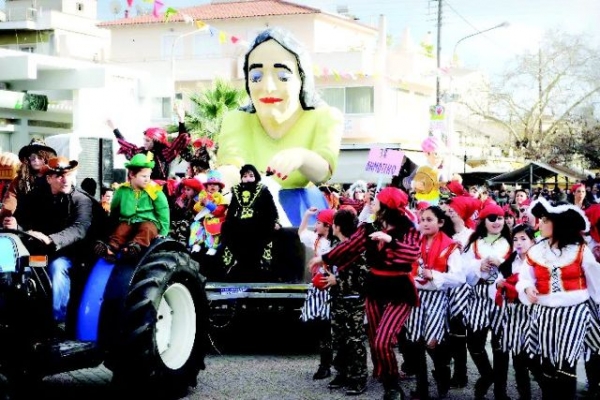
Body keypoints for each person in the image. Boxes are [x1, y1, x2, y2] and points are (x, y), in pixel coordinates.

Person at [216, 28, 343, 226]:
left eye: (283, 76)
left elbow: (323, 171)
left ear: (303, 79)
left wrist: (302, 157)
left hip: (302, 210)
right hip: (249, 209)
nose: (268, 87)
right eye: (256, 77)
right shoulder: (236, 119)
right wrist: (212, 181)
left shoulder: (324, 116)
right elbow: (233, 164)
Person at [309, 186, 420, 400]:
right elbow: (351, 246)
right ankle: (384, 373)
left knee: (383, 341)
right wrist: (325, 258)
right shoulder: (369, 226)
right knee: (375, 338)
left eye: (377, 200)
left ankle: (393, 386)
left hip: (399, 288)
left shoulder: (408, 228)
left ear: (387, 206)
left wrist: (390, 241)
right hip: (376, 286)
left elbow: (412, 254)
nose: (372, 202)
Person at [516, 197, 600, 399]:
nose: (540, 224)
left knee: (565, 365)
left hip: (574, 313)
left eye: (545, 220)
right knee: (545, 364)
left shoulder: (581, 251)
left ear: (559, 224)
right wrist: (527, 288)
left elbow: (596, 284)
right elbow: (524, 278)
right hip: (544, 314)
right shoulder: (535, 251)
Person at [2, 156, 92, 328]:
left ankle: (59, 322)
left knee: (58, 269)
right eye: (59, 176)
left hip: (72, 254)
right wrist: (15, 224)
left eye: (68, 174)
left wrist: (50, 239)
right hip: (40, 254)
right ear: (49, 178)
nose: (65, 179)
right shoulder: (36, 197)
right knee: (17, 268)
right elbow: (23, 220)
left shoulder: (82, 200)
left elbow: (79, 229)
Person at [406, 206, 464, 399]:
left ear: (440, 222)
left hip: (437, 296)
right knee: (415, 341)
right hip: (415, 295)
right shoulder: (414, 242)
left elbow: (458, 278)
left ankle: (443, 373)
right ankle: (422, 387)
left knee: (432, 342)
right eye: (422, 219)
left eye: (429, 219)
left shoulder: (450, 246)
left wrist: (435, 275)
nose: (424, 223)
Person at [462, 203, 512, 400]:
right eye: (492, 218)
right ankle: (487, 376)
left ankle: (501, 391)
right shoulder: (473, 242)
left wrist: (502, 266)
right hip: (478, 295)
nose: (497, 221)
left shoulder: (512, 241)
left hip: (502, 297)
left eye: (500, 217)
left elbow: (520, 270)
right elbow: (463, 272)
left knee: (501, 347)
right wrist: (478, 266)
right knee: (474, 342)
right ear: (483, 221)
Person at [322, 209, 369, 396]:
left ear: (338, 226)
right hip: (337, 300)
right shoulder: (335, 245)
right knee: (338, 339)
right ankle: (342, 373)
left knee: (355, 340)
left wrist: (338, 281)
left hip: (354, 302)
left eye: (333, 223)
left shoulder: (357, 249)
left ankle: (358, 378)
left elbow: (364, 278)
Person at [489, 224, 539, 400]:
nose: (519, 243)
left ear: (533, 240)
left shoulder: (540, 262)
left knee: (525, 359)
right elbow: (495, 284)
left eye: (523, 239)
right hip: (508, 312)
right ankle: (504, 394)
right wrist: (499, 285)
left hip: (531, 313)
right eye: (515, 239)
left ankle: (528, 394)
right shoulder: (509, 261)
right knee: (507, 355)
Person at [94, 153, 170, 261]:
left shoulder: (154, 190)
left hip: (148, 221)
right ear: (132, 175)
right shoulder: (122, 190)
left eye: (149, 176)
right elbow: (115, 207)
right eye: (144, 176)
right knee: (121, 230)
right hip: (128, 220)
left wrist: (163, 231)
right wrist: (111, 223)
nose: (147, 179)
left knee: (147, 229)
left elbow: (163, 209)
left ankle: (135, 246)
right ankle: (110, 249)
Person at [442, 195, 481, 389]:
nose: (449, 213)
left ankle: (460, 373)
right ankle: (445, 369)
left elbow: (473, 265)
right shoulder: (444, 234)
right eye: (448, 211)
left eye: (452, 211)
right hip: (444, 287)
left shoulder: (471, 236)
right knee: (445, 332)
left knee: (458, 331)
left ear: (461, 214)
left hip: (464, 290)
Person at [220, 164, 279, 281]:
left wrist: (275, 222)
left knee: (264, 229)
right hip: (240, 225)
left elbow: (271, 209)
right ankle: (234, 266)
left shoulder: (263, 190)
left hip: (258, 225)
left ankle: (262, 267)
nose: (248, 179)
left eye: (251, 176)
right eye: (245, 176)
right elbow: (232, 210)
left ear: (256, 177)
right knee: (226, 227)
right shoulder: (236, 190)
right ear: (241, 178)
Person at [107, 102, 190, 182]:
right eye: (144, 140)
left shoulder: (164, 153)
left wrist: (181, 120)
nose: (144, 142)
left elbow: (181, 140)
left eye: (147, 140)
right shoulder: (141, 152)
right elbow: (125, 144)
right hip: (143, 189)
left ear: (156, 141)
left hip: (159, 190)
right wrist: (114, 128)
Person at [298, 207, 336, 381]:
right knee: (316, 322)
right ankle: (326, 362)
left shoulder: (337, 243)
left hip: (333, 286)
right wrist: (306, 215)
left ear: (328, 225)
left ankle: (327, 364)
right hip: (318, 286)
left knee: (329, 325)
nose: (316, 225)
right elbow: (301, 232)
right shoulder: (317, 240)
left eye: (319, 222)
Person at [0, 138, 57, 219]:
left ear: (46, 158)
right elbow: (10, 201)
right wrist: (5, 217)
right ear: (28, 159)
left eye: (40, 157)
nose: (36, 160)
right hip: (24, 223)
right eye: (32, 157)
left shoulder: (55, 176)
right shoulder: (20, 180)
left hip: (50, 220)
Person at [189, 170, 228, 256]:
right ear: (206, 187)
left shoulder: (222, 198)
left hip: (217, 221)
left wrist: (209, 204)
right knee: (196, 226)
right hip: (204, 221)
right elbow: (196, 209)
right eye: (210, 184)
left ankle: (212, 248)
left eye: (215, 184)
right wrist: (201, 203)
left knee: (215, 233)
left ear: (219, 187)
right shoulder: (203, 196)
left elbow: (220, 211)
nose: (212, 186)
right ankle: (196, 245)